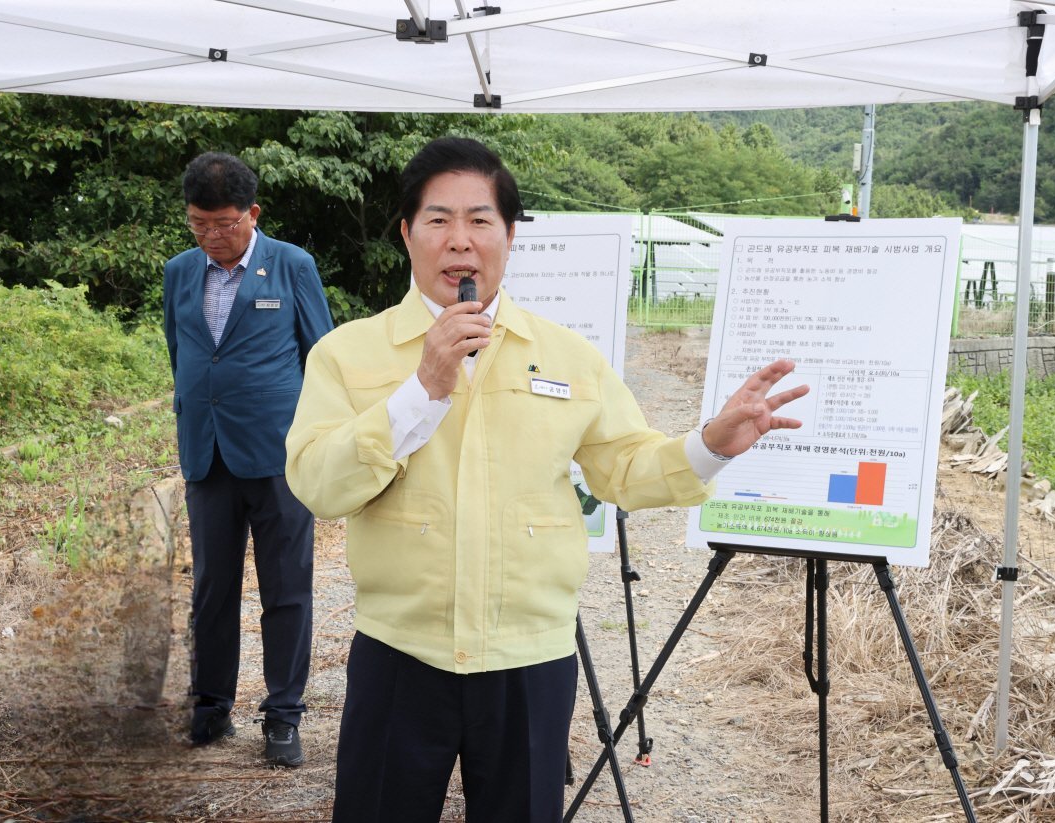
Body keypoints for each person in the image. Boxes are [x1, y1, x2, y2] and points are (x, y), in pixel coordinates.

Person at [284, 137, 808, 820]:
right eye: (438, 219)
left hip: (529, 656)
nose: (460, 240)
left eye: (480, 220)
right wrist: (422, 387)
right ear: (407, 234)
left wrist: (709, 446)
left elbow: (624, 467)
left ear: (509, 236)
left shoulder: (566, 355)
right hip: (399, 650)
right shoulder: (348, 353)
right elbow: (318, 484)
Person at [163, 151, 333, 767]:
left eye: (224, 223)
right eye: (199, 224)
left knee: (286, 589)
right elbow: (182, 353)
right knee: (212, 588)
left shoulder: (291, 265)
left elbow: (324, 359)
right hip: (207, 454)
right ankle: (211, 707)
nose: (212, 236)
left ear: (252, 213)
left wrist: (315, 441)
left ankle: (283, 715)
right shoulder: (179, 272)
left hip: (279, 456)